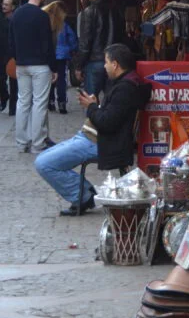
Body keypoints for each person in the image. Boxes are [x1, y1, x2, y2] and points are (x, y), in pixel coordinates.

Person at [35, 44, 152, 215]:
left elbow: (107, 122)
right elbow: (110, 115)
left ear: (115, 64)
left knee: (44, 163)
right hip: (90, 137)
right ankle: (85, 194)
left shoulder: (125, 89)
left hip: (98, 142)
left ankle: (84, 196)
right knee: (42, 158)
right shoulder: (122, 84)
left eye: (106, 62)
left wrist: (91, 107)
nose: (104, 66)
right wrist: (96, 104)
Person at [10, 0, 55, 152]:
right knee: (39, 104)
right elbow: (48, 44)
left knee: (23, 102)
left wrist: (17, 58)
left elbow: (11, 42)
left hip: (22, 64)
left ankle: (21, 143)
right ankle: (37, 143)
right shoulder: (42, 16)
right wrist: (53, 67)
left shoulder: (16, 14)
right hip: (40, 65)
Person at [75, 0, 126, 97]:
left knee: (91, 102)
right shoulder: (116, 11)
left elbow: (85, 43)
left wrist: (79, 66)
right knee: (111, 100)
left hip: (94, 61)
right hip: (113, 61)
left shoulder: (88, 12)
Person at [44, 0, 78, 114]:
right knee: (61, 80)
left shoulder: (46, 23)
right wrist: (72, 50)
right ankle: (62, 103)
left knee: (50, 79)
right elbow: (72, 39)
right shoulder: (64, 25)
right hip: (62, 56)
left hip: (49, 55)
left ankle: (51, 101)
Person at [0, 0, 17, 115]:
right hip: (0, 53)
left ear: (13, 7)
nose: (4, 6)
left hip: (12, 54)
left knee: (14, 82)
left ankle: (13, 107)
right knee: (0, 80)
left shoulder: (16, 18)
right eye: (3, 4)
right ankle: (4, 97)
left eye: (6, 4)